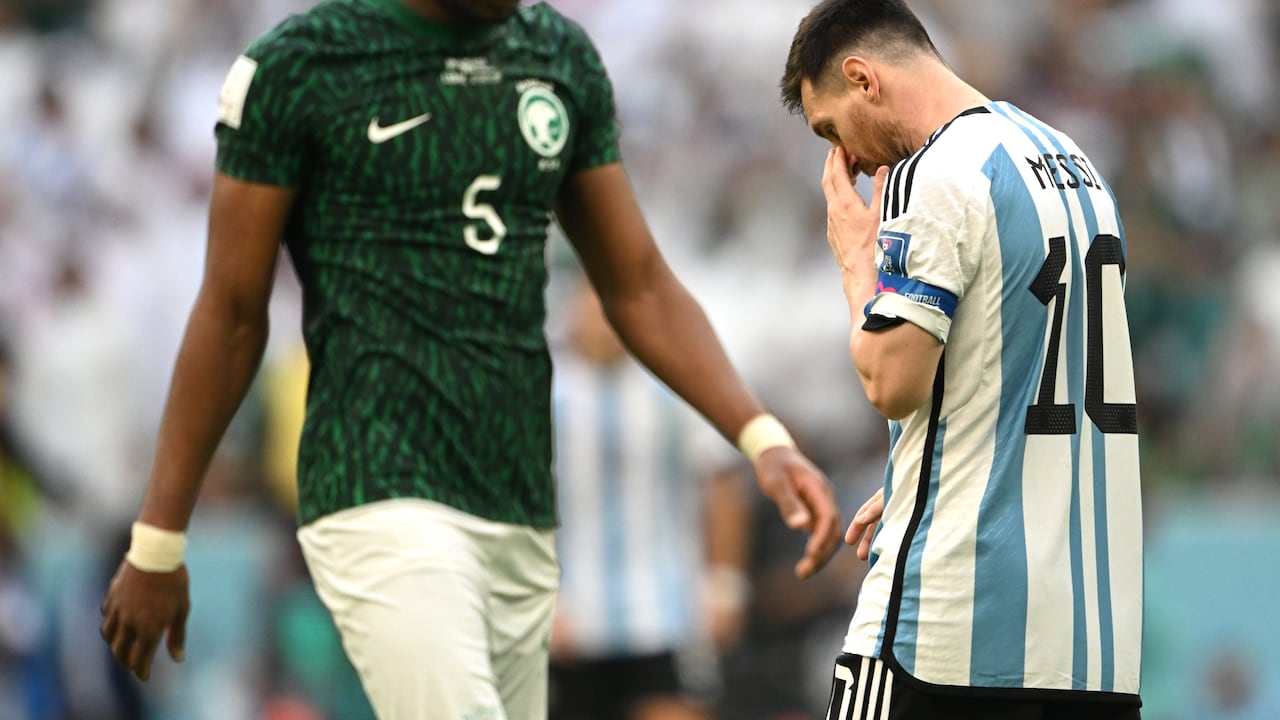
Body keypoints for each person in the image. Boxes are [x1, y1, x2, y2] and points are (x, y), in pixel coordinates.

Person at [98, 1, 843, 719]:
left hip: (516, 507)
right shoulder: (302, 67)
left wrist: (759, 436)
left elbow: (639, 284)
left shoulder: (555, 56)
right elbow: (231, 313)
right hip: (377, 487)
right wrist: (159, 540)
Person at [778, 1, 1144, 718]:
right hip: (1090, 651)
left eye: (831, 129)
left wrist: (858, 264)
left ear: (862, 78)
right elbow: (1046, 371)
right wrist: (939, 466)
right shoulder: (1077, 165)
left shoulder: (936, 170)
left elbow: (891, 381)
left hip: (946, 633)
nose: (846, 161)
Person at [547, 278, 751, 720]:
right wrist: (538, 601)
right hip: (573, 620)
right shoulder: (546, 393)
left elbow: (720, 482)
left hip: (669, 615)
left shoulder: (675, 387)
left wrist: (724, 587)